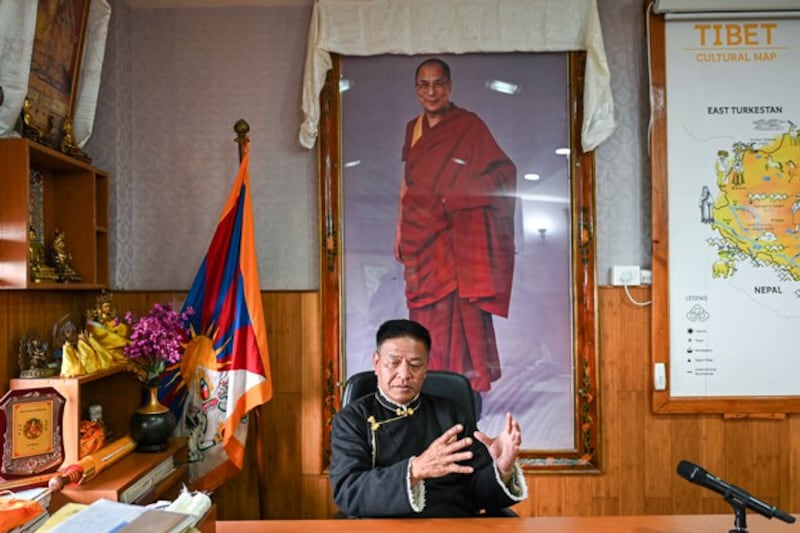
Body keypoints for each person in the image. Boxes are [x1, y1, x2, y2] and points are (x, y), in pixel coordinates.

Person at [394, 58, 517, 406]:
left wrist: (459, 196)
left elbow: (503, 172)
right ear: (416, 89)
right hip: (422, 242)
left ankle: (466, 407)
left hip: (455, 244)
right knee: (425, 325)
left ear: (449, 86)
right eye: (423, 84)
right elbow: (408, 185)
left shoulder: (468, 125)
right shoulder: (413, 129)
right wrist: (399, 230)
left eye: (438, 84)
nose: (431, 91)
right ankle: (429, 403)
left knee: (462, 327)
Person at [330, 319, 527, 518]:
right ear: (376, 363)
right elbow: (348, 491)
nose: (404, 374)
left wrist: (502, 470)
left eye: (415, 364)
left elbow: (476, 492)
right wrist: (415, 470)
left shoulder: (451, 412)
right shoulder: (352, 419)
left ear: (426, 369)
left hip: (453, 524)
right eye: (394, 363)